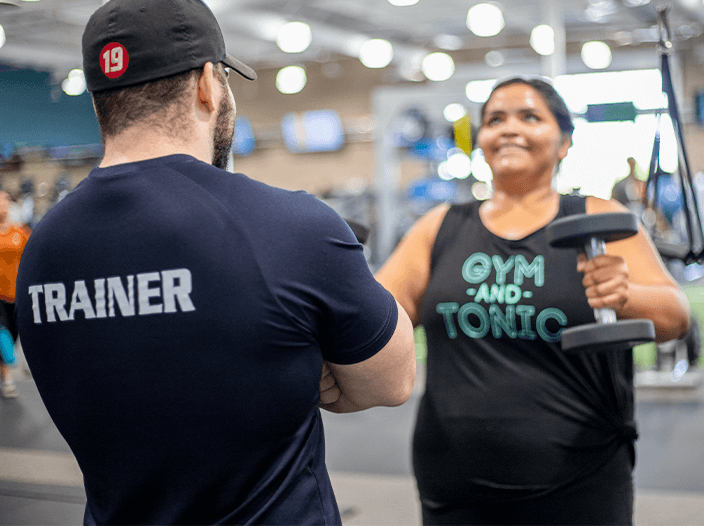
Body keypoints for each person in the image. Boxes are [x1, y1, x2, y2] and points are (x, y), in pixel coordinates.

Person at [15, 1, 416, 524]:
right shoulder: (292, 225)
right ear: (208, 84)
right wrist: (303, 363)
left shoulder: (41, 249)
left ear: (100, 103)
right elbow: (391, 381)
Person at [376, 77, 691, 525]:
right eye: (494, 119)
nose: (508, 128)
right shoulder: (440, 226)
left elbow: (676, 318)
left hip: (579, 479)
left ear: (564, 142)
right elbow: (376, 315)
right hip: (454, 483)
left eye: (529, 116)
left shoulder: (598, 218)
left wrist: (627, 294)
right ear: (480, 141)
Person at [0, 191, 30, 398]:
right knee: (3, 334)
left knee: (15, 333)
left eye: (5, 199)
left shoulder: (20, 231)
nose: (3, 203)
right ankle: (8, 376)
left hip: (17, 293)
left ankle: (5, 370)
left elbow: (32, 256)